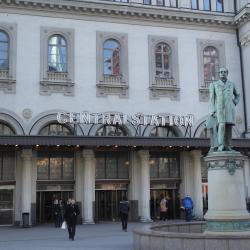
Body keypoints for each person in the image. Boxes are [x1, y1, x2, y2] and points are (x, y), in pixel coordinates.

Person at [208, 67, 240, 152]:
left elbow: (238, 95)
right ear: (219, 74)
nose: (223, 73)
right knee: (221, 125)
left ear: (227, 73)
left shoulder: (231, 84)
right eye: (221, 72)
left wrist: (234, 103)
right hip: (219, 109)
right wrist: (212, 110)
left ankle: (228, 145)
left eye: (225, 72)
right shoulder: (214, 85)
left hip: (229, 109)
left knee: (229, 126)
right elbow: (211, 99)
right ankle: (221, 145)